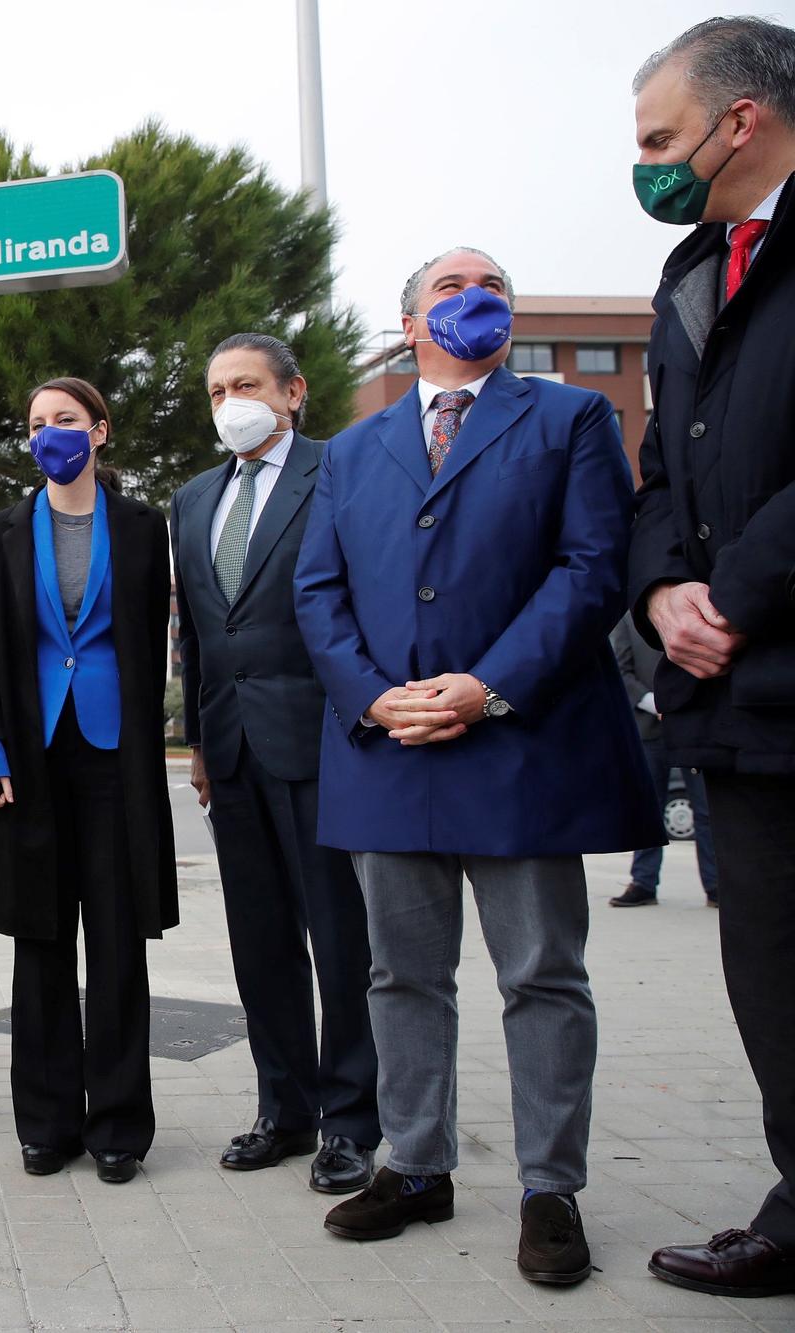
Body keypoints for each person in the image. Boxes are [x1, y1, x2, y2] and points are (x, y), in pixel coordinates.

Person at [293, 249, 660, 1284]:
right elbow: (316, 593)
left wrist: (484, 685)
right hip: (387, 751)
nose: (474, 299)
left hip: (517, 746)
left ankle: (550, 1188)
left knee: (540, 974)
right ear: (407, 322)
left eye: (490, 284)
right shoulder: (351, 451)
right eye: (450, 287)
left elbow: (591, 567)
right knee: (398, 975)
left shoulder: (568, 420)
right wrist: (371, 695)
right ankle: (413, 1164)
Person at [630, 17, 795, 1298]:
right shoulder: (692, 274)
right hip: (729, 699)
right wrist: (660, 590)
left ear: (738, 121)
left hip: (773, 645)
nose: (644, 167)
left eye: (657, 139)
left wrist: (731, 591)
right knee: (767, 976)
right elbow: (658, 474)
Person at [173, 335, 380, 1194]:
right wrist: (196, 745)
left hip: (322, 745)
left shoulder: (341, 470)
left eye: (247, 384)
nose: (232, 402)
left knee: (339, 941)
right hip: (229, 751)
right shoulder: (193, 499)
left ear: (292, 392)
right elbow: (197, 633)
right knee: (260, 946)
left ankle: (353, 1121)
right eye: (218, 390)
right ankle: (283, 1108)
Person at [0, 376, 175, 1183]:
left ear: (100, 431)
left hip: (115, 754)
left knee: (118, 942)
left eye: (65, 419)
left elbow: (148, 639)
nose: (50, 432)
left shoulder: (141, 526)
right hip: (29, 755)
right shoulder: (5, 530)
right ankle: (46, 1123)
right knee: (41, 940)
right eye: (37, 422)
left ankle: (119, 1125)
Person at [607, 615, 718, 908]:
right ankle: (643, 882)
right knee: (648, 809)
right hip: (648, 727)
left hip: (693, 724)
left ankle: (716, 885)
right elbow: (621, 670)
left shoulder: (696, 610)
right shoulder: (627, 620)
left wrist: (678, 702)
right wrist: (656, 703)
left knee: (706, 810)